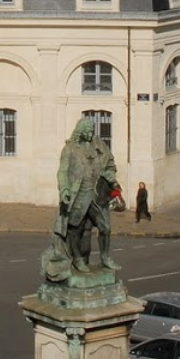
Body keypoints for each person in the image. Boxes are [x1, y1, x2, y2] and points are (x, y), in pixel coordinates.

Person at [52, 115, 120, 273]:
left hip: (97, 195)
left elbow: (111, 164)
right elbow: (62, 172)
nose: (90, 134)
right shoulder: (70, 149)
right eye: (87, 131)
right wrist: (64, 190)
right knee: (75, 228)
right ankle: (77, 259)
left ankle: (105, 258)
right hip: (79, 194)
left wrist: (110, 174)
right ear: (80, 131)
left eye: (92, 131)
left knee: (105, 228)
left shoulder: (100, 145)